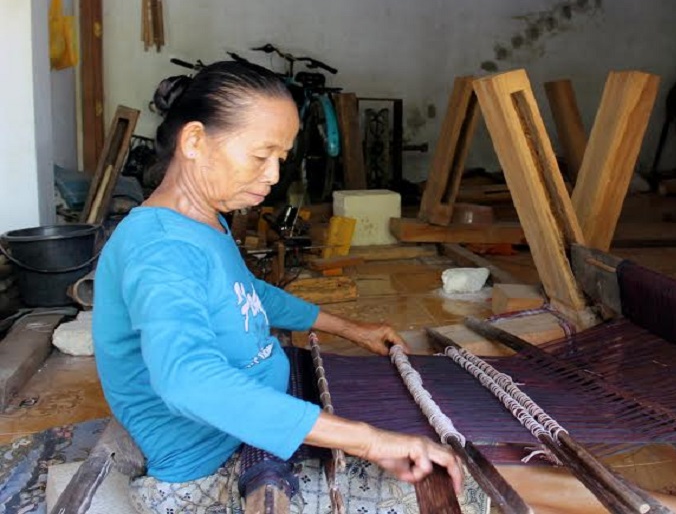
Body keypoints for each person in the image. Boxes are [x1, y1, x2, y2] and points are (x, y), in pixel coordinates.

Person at [92, 60, 463, 514]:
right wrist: (368, 440)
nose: (272, 175)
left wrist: (351, 329)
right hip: (211, 467)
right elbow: (187, 380)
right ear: (194, 142)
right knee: (459, 484)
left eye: (280, 159)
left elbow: (249, 295)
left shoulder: (204, 221)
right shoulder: (161, 248)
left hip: (247, 428)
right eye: (260, 155)